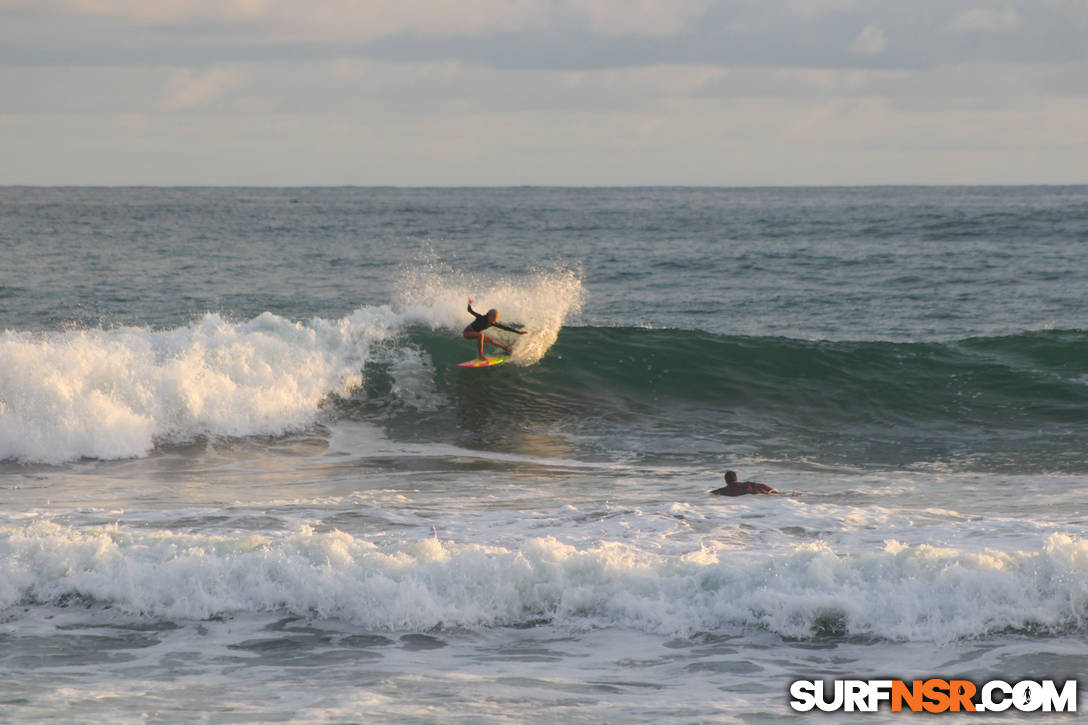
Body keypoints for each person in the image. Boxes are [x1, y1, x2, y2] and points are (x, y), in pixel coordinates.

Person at [711, 471, 779, 496]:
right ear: (736, 478)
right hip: (757, 492)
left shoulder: (722, 490)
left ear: (726, 480)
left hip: (747, 497)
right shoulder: (746, 484)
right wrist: (775, 491)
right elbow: (763, 485)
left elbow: (713, 493)